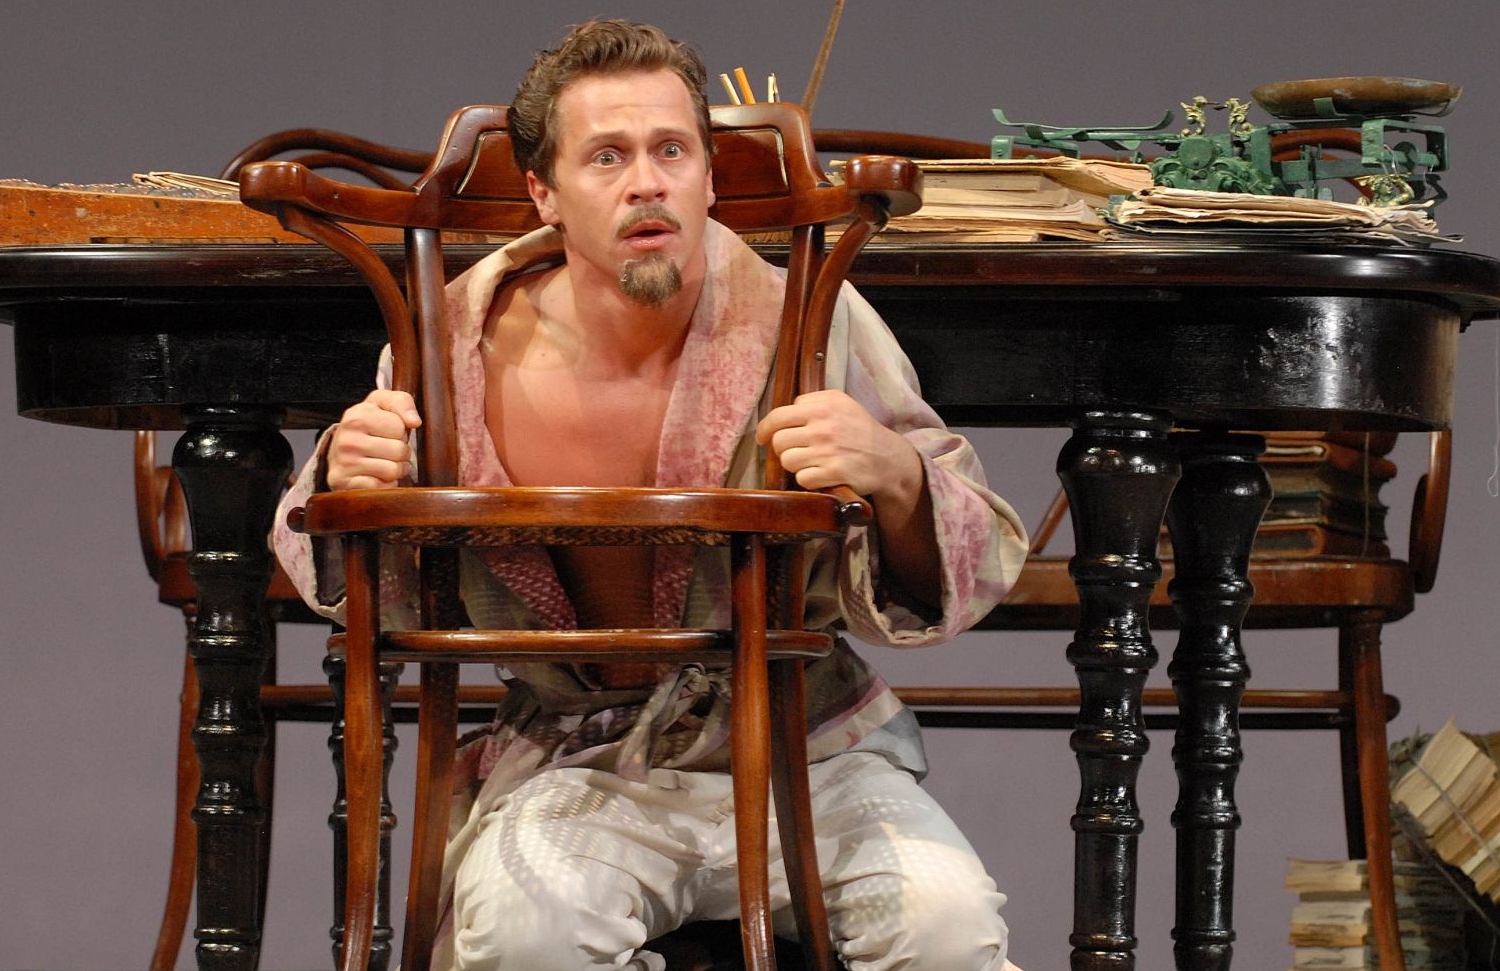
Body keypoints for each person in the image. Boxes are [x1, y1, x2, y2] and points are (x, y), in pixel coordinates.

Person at [271, 20, 1028, 971]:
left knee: (948, 923)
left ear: (708, 177)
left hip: (807, 748)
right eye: (607, 157)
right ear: (544, 193)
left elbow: (975, 552)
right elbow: (328, 559)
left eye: (672, 150)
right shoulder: (450, 345)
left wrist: (895, 472)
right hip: (579, 762)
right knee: (526, 935)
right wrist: (346, 471)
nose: (647, 183)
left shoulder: (802, 318)